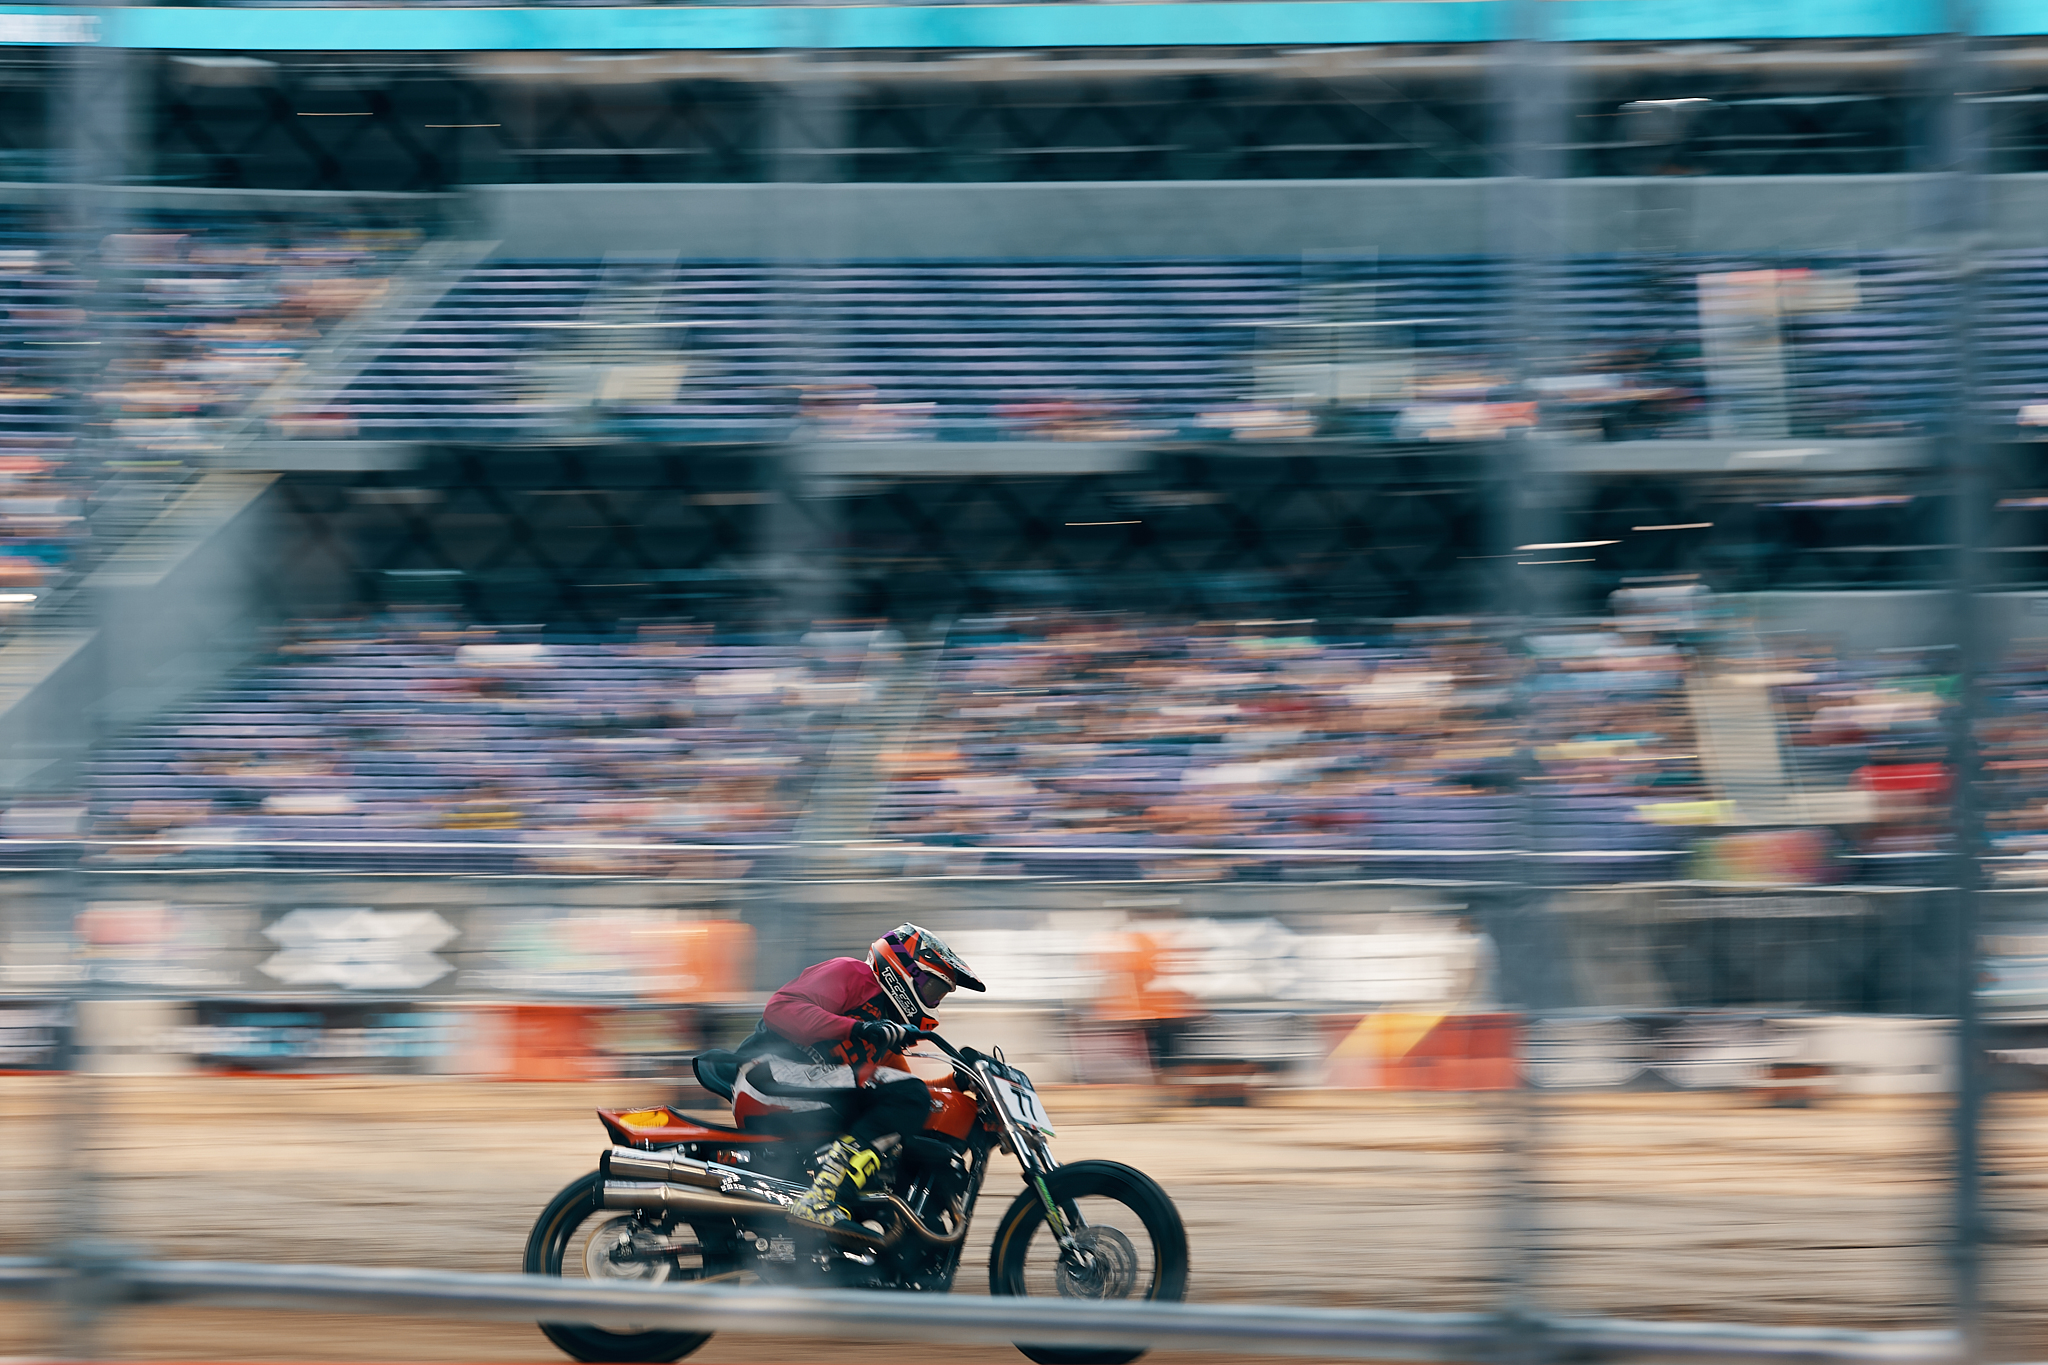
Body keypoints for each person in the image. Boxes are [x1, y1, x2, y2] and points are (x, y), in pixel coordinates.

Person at [737, 923, 985, 1234]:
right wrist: (858, 1029)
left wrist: (958, 1082)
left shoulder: (885, 1030)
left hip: (803, 1096)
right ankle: (822, 1198)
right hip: (767, 1075)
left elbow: (908, 1100)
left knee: (910, 1105)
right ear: (905, 970)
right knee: (906, 1095)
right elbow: (780, 1009)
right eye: (935, 989)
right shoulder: (852, 974)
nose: (934, 1001)